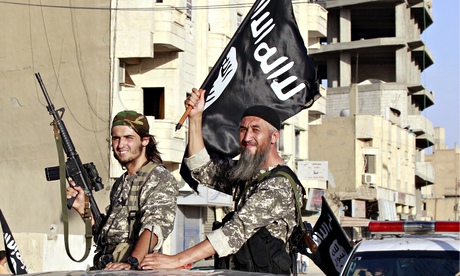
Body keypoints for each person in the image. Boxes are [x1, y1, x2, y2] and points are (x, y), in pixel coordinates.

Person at [140, 88, 304, 274]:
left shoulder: (278, 184)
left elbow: (234, 231)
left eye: (255, 130)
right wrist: (195, 117)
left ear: (274, 137)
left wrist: (176, 260)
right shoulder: (248, 172)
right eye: (243, 130)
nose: (247, 137)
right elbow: (201, 169)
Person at [66, 110, 179, 270]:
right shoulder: (120, 183)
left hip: (134, 270)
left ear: (145, 140)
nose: (120, 145)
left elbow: (155, 227)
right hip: (108, 267)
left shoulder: (157, 177)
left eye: (128, 138)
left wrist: (132, 262)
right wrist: (83, 209)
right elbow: (106, 237)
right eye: (116, 138)